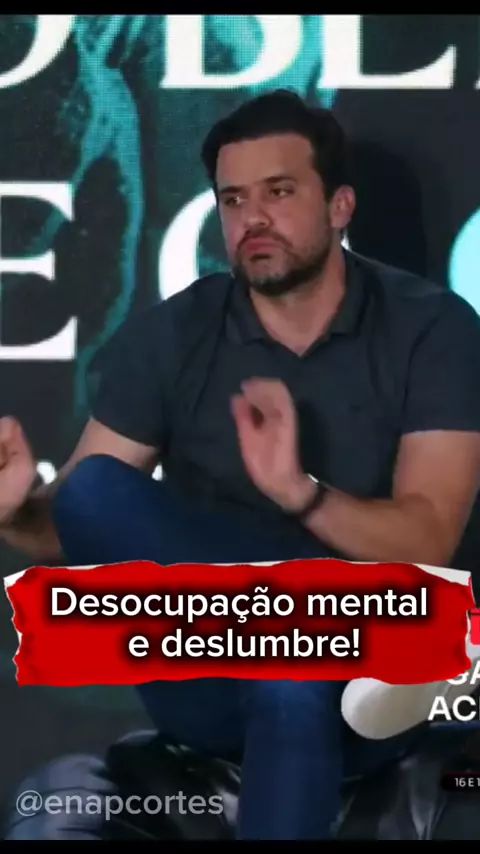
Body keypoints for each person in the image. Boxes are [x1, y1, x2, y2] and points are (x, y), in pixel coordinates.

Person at [1, 89, 480, 840]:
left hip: (366, 688)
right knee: (91, 488)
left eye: (279, 192)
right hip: (211, 672)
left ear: (340, 206)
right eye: (233, 200)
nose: (252, 218)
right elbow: (75, 531)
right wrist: (17, 510)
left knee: (288, 677)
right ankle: (312, 636)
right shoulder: (177, 333)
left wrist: (301, 493)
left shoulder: (431, 328)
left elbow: (428, 541)